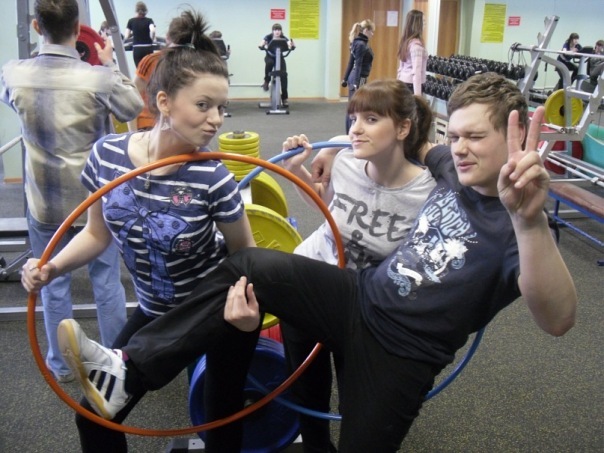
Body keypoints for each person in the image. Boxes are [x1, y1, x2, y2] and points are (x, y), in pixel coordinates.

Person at [57, 72, 578, 452]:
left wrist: (529, 220)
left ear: (514, 144)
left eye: (476, 138)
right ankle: (129, 371)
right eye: (455, 135)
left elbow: (558, 319)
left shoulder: (523, 226)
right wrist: (340, 148)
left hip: (405, 353)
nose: (460, 149)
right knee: (251, 264)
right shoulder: (449, 167)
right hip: (357, 297)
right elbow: (413, 142)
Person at [22, 9, 257, 453]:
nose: (216, 119)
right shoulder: (107, 156)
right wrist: (51, 267)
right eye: (203, 105)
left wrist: (245, 319)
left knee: (220, 420)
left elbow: (246, 257)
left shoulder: (213, 177)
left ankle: (130, 367)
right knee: (93, 418)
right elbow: (96, 234)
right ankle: (126, 366)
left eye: (221, 108)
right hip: (154, 309)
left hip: (215, 311)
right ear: (163, 102)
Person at [280, 79, 437, 452]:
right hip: (309, 278)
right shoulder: (347, 161)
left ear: (403, 128)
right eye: (353, 119)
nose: (356, 129)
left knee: (358, 400)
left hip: (363, 302)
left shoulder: (429, 190)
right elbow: (325, 209)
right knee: (306, 388)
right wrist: (296, 170)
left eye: (371, 119)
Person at [0, 0, 143, 383]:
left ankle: (62, 366)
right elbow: (133, 107)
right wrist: (108, 62)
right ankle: (115, 363)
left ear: (36, 27)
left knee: (51, 282)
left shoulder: (12, 73)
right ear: (78, 28)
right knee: (106, 282)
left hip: (44, 204)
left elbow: (11, 98)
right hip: (93, 203)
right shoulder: (99, 79)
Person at [341, 20, 375, 133]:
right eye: (371, 31)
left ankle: (350, 132)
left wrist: (345, 78)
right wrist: (356, 83)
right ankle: (350, 133)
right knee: (356, 107)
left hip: (358, 77)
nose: (372, 34)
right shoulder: (360, 44)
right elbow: (358, 64)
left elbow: (351, 62)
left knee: (355, 106)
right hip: (359, 78)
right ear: (366, 30)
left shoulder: (358, 42)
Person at [259, 23, 294, 106]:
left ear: (281, 31)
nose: (277, 32)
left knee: (284, 75)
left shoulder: (283, 38)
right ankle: (266, 81)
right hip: (270, 56)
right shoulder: (268, 37)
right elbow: (261, 43)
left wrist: (292, 45)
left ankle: (284, 98)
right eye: (275, 30)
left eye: (279, 30)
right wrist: (261, 45)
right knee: (269, 63)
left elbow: (289, 43)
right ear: (273, 31)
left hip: (280, 57)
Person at [397, 9, 427, 96]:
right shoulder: (416, 46)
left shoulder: (406, 42)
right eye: (423, 21)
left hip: (403, 82)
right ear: (417, 24)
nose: (425, 24)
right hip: (412, 86)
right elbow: (416, 72)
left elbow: (400, 68)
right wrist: (418, 96)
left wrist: (398, 84)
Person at [123, 1, 156, 68]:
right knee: (150, 69)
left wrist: (133, 34)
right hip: (148, 48)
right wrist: (152, 39)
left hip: (137, 48)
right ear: (145, 11)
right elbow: (152, 30)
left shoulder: (131, 21)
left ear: (136, 10)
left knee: (139, 70)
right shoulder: (149, 20)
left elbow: (126, 36)